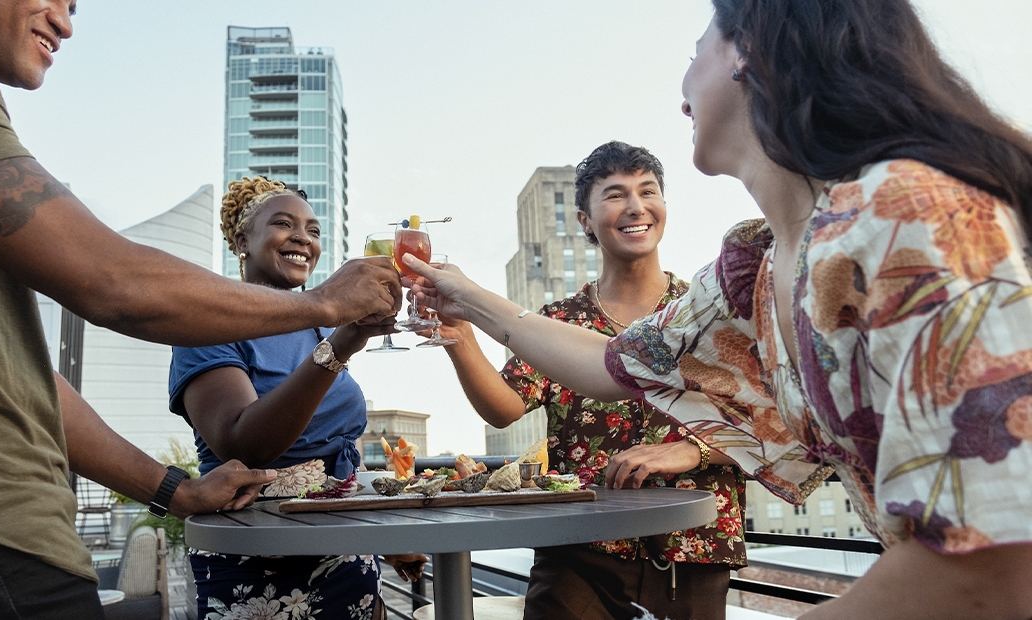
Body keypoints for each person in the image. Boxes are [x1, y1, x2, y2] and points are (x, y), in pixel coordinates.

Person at [404, 0, 1032, 617]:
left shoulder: (908, 212)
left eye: (693, 53)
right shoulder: (754, 267)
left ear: (746, 53)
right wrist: (465, 300)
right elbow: (611, 363)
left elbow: (999, 566)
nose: (682, 92)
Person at [0, 3, 401, 619]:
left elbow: (21, 381)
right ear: (241, 242)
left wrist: (173, 490)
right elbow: (111, 284)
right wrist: (327, 304)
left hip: (0, 541)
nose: (67, 23)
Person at [438, 142, 745, 620]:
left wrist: (694, 449)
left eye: (648, 191)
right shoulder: (559, 320)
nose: (636, 206)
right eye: (616, 194)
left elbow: (773, 421)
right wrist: (458, 335)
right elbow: (502, 408)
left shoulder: (711, 311)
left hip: (694, 548)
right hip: (576, 550)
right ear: (584, 220)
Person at [168, 176, 427, 620]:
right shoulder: (209, 321)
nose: (302, 239)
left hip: (348, 555)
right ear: (240, 240)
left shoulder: (321, 329)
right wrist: (341, 346)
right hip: (259, 557)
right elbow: (244, 446)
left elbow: (339, 453)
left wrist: (386, 534)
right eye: (284, 224)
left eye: (313, 231)